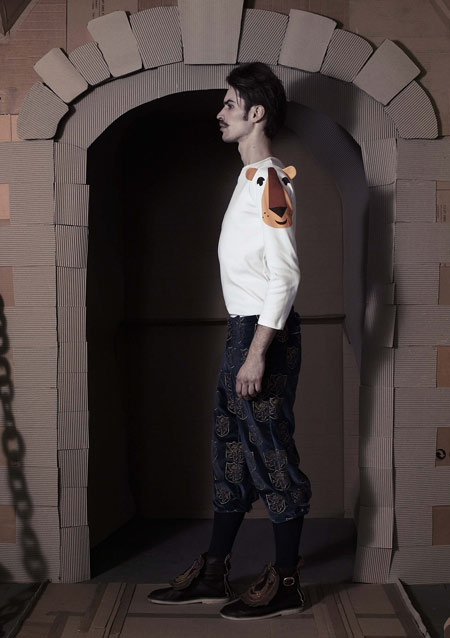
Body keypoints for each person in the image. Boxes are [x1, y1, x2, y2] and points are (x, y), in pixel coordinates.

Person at [148, 62, 311, 621]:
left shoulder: (272, 183)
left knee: (271, 456)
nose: (219, 113)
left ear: (255, 112)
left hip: (263, 335)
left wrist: (257, 353)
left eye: (229, 104)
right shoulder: (248, 181)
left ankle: (287, 583)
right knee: (232, 455)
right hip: (240, 330)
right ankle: (214, 572)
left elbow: (285, 276)